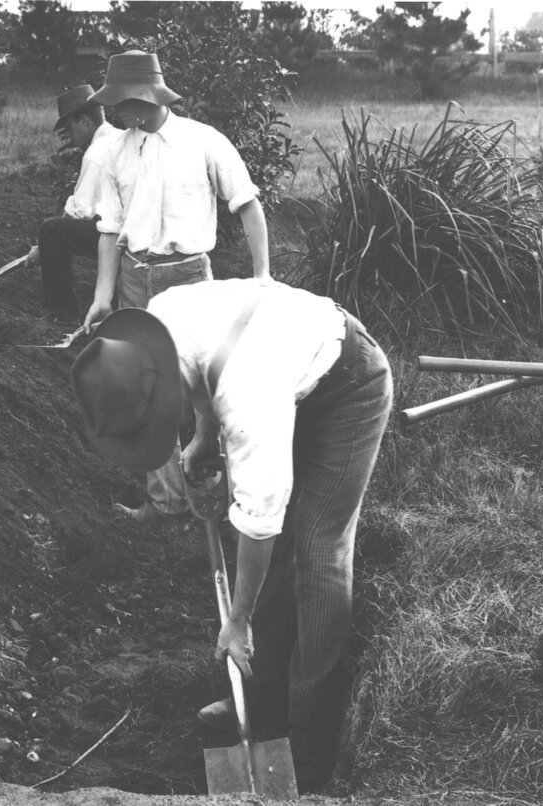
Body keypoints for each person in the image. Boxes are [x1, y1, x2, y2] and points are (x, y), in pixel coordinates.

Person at [69, 277, 393, 794]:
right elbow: (204, 367)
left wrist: (238, 622)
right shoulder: (163, 322)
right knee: (277, 555)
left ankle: (308, 742)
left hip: (347, 386)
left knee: (317, 553)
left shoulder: (249, 398)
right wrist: (203, 437)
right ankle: (262, 702)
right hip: (286, 371)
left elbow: (259, 521)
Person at [83, 50, 272, 524]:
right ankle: (165, 502)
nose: (113, 111)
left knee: (207, 387)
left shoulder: (203, 141)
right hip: (135, 277)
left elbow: (248, 204)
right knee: (144, 390)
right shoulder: (114, 152)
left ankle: (224, 494)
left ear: (144, 98)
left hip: (187, 278)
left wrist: (262, 276)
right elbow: (109, 229)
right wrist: (103, 297)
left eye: (120, 102)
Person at [25, 84, 119, 324]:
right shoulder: (119, 138)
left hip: (120, 237)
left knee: (52, 231)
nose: (71, 137)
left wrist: (42, 248)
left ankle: (61, 316)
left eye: (70, 129)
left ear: (85, 121)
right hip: (134, 230)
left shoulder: (97, 152)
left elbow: (80, 211)